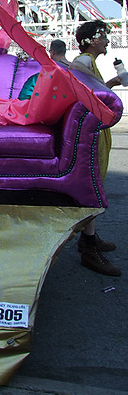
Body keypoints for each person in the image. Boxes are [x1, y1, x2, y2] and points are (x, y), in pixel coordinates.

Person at [71, 20, 121, 276]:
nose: (106, 40)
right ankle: (88, 247)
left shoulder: (90, 61)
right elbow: (76, 70)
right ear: (91, 39)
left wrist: (110, 82)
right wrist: (102, 85)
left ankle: (89, 237)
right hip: (94, 131)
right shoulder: (84, 60)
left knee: (96, 182)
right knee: (94, 184)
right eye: (102, 36)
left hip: (99, 129)